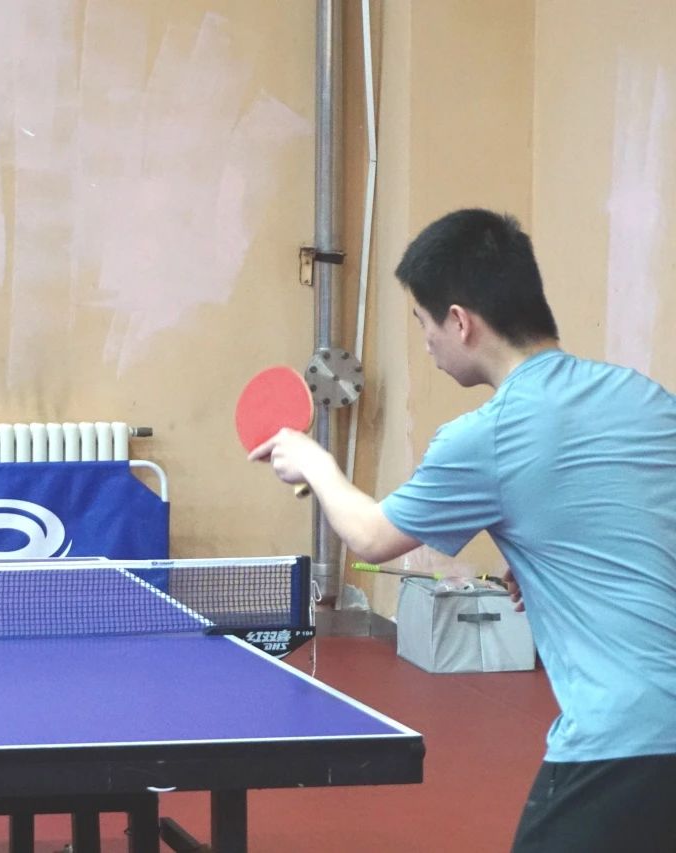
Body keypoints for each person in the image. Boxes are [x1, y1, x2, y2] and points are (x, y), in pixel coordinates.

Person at [250, 209, 676, 852]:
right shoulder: (641, 396)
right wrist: (551, 556)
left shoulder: (487, 434)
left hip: (627, 738)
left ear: (459, 321)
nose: (426, 343)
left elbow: (372, 537)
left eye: (423, 323)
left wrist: (314, 461)